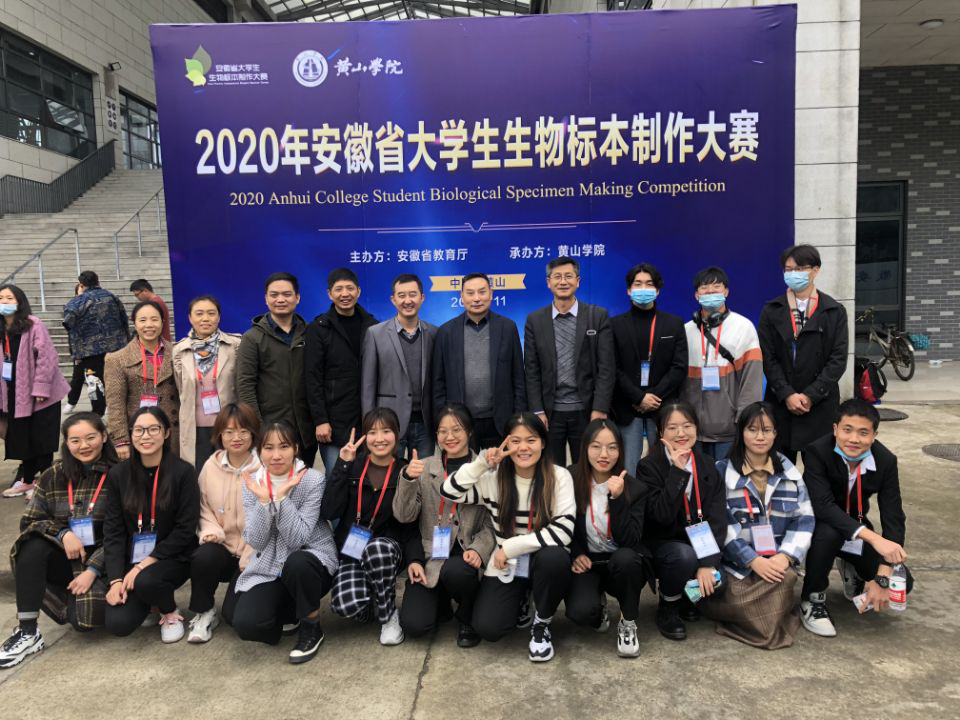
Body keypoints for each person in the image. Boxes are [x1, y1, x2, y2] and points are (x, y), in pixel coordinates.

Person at [440, 412, 575, 663]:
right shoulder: (494, 477)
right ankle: (523, 597)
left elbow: (564, 531)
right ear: (506, 443)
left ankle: (542, 623)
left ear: (543, 443)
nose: (523, 448)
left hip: (538, 558)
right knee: (489, 628)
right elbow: (449, 492)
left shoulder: (559, 476)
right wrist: (481, 463)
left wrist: (511, 547)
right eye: (515, 441)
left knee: (554, 559)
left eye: (531, 440)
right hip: (507, 564)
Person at [1, 413, 119, 668]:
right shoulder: (53, 475)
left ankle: (80, 596)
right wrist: (63, 534)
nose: (83, 446)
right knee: (30, 547)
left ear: (104, 437)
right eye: (75, 440)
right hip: (66, 556)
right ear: (66, 443)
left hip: (107, 563)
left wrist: (92, 569)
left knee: (83, 623)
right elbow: (31, 521)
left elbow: (123, 535)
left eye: (90, 438)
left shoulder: (120, 475)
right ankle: (28, 631)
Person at [223, 421, 338, 664]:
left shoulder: (312, 479)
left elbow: (297, 538)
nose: (276, 455)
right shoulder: (253, 482)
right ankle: (289, 612)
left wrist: (282, 498)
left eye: (284, 446)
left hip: (309, 560)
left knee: (297, 563)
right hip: (270, 562)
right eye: (269, 448)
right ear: (259, 451)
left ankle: (311, 626)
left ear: (295, 448)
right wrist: (265, 502)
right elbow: (256, 540)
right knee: (244, 623)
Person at [705, 402, 815, 649]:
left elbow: (804, 519)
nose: (760, 437)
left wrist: (785, 556)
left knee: (785, 578)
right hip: (737, 564)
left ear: (776, 434)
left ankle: (745, 618)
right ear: (741, 432)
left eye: (767, 430)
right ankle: (762, 619)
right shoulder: (721, 471)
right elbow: (721, 524)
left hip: (776, 561)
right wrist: (752, 560)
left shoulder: (790, 473)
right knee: (732, 590)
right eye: (752, 429)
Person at [799, 399, 913, 638]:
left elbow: (893, 516)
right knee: (829, 533)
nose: (853, 439)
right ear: (835, 429)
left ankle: (853, 567)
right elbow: (823, 507)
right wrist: (874, 539)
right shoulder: (817, 452)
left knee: (903, 583)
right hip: (821, 527)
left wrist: (884, 572)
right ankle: (812, 599)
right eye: (847, 430)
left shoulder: (885, 461)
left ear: (874, 435)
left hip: (857, 528)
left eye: (863, 433)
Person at [392, 404, 495, 647]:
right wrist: (407, 479)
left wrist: (480, 549)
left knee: (457, 572)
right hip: (432, 558)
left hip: (467, 557)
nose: (449, 437)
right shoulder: (423, 467)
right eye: (442, 431)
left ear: (469, 431)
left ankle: (468, 616)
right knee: (415, 625)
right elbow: (405, 518)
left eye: (456, 429)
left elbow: (494, 521)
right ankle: (442, 604)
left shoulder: (487, 469)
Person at [102, 408, 200, 642]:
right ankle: (150, 602)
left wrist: (145, 563)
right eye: (138, 430)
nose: (145, 436)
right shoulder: (118, 474)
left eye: (153, 429)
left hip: (173, 557)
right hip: (134, 559)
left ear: (166, 433)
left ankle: (169, 612)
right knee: (118, 623)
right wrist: (115, 579)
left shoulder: (183, 472)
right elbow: (113, 530)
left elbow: (186, 529)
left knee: (147, 580)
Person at [323, 408, 415, 646]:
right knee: (345, 604)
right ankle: (369, 600)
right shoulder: (353, 466)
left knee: (377, 550)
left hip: (386, 550)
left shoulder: (404, 470)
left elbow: (410, 522)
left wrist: (410, 480)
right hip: (352, 551)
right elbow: (329, 511)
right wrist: (342, 465)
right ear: (365, 436)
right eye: (372, 432)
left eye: (386, 431)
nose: (379, 438)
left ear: (397, 434)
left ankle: (388, 615)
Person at [637, 400, 727, 641]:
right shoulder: (648, 467)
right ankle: (668, 605)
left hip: (699, 542)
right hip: (665, 544)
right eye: (672, 427)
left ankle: (688, 597)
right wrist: (677, 472)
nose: (681, 433)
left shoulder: (707, 465)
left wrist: (707, 563)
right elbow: (660, 517)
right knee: (683, 557)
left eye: (687, 426)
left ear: (696, 428)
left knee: (721, 582)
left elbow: (718, 519)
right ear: (661, 432)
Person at [564, 419, 651, 658]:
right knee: (580, 612)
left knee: (627, 558)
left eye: (612, 447)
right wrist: (575, 553)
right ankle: (598, 606)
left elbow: (630, 541)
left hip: (620, 563)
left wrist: (617, 499)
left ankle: (628, 621)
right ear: (585, 448)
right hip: (587, 562)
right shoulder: (569, 478)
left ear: (620, 451)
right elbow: (560, 523)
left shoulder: (635, 488)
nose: (604, 454)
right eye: (596, 446)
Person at [758, 244, 849, 463]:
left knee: (819, 471)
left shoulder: (833, 310)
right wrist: (787, 394)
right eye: (788, 269)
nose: (793, 274)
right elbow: (767, 357)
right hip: (781, 404)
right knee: (779, 470)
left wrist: (811, 396)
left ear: (815, 270)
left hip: (820, 406)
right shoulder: (772, 310)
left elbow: (837, 360)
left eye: (800, 269)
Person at [524, 256, 615, 465]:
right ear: (548, 282)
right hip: (550, 413)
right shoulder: (535, 320)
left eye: (568, 276)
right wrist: (537, 410)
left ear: (578, 281)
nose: (563, 282)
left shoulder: (597, 316)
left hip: (587, 411)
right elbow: (531, 370)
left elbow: (606, 368)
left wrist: (600, 408)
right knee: (551, 471)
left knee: (585, 469)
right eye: (557, 277)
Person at [186, 403, 261, 644]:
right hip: (222, 544)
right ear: (219, 435)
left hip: (253, 551)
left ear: (253, 433)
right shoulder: (211, 466)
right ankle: (204, 611)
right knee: (203, 556)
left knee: (234, 616)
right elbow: (202, 506)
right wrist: (211, 531)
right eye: (229, 432)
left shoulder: (264, 467)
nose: (236, 438)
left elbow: (270, 515)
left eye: (243, 431)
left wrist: (253, 548)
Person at [432, 272, 526, 451]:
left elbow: (518, 378)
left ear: (491, 294)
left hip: (500, 421)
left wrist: (518, 418)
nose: (476, 298)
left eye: (482, 292)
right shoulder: (446, 332)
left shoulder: (507, 327)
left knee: (500, 468)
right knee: (465, 469)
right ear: (461, 297)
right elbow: (438, 383)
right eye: (470, 293)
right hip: (460, 423)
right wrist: (443, 420)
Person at [611, 263, 688, 475]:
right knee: (628, 469)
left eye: (649, 284)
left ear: (658, 290)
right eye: (638, 284)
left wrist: (653, 396)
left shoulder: (673, 324)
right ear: (629, 290)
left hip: (662, 408)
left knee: (666, 466)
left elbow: (679, 367)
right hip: (627, 408)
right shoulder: (615, 325)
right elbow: (612, 368)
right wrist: (638, 397)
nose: (643, 288)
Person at [680, 267, 763, 460]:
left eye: (716, 287)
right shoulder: (685, 331)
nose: (710, 291)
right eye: (704, 287)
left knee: (726, 477)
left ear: (726, 291)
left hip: (729, 431)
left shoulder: (743, 327)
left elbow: (751, 382)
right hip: (691, 431)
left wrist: (743, 421)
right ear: (696, 295)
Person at [236, 272, 316, 467]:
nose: (280, 299)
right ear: (266, 299)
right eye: (274, 295)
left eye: (287, 294)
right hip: (271, 431)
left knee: (303, 480)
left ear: (297, 298)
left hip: (306, 431)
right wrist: (259, 428)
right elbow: (245, 385)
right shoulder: (252, 338)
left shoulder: (311, 333)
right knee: (273, 482)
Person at [1, 284, 70, 498]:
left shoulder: (33, 324)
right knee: (22, 438)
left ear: (19, 301)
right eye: (1, 298)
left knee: (42, 439)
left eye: (9, 298)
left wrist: (41, 387)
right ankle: (28, 481)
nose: (4, 302)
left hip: (42, 394)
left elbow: (47, 358)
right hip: (14, 392)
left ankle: (46, 483)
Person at [306, 267, 377, 473]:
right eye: (338, 289)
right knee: (336, 479)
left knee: (366, 480)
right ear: (330, 294)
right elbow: (312, 378)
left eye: (350, 288)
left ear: (358, 291)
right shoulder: (319, 328)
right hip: (333, 424)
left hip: (366, 421)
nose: (345, 294)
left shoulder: (373, 326)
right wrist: (321, 420)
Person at [362, 274, 436, 461]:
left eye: (413, 294)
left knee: (423, 473)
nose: (407, 300)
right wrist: (370, 425)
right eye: (401, 295)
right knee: (390, 474)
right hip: (388, 423)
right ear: (393, 300)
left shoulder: (434, 333)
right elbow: (368, 385)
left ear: (422, 298)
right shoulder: (375, 334)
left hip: (425, 424)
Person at [172, 295, 242, 468]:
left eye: (211, 313)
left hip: (229, 424)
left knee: (230, 471)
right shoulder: (180, 350)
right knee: (199, 475)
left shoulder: (235, 345)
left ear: (219, 317)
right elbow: (181, 387)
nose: (205, 318)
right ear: (190, 318)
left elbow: (241, 385)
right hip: (195, 428)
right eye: (199, 314)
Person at [104, 300, 179, 460]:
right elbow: (115, 404)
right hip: (140, 433)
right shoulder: (117, 359)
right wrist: (121, 440)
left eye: (154, 319)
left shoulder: (178, 352)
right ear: (135, 323)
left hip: (175, 432)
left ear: (162, 322)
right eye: (143, 320)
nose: (149, 325)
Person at [62, 270, 130, 416]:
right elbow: (124, 320)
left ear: (81, 284)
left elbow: (68, 323)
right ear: (98, 281)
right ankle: (118, 409)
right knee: (116, 379)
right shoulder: (112, 297)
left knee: (94, 383)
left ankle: (97, 413)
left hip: (89, 352)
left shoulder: (77, 302)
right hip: (115, 347)